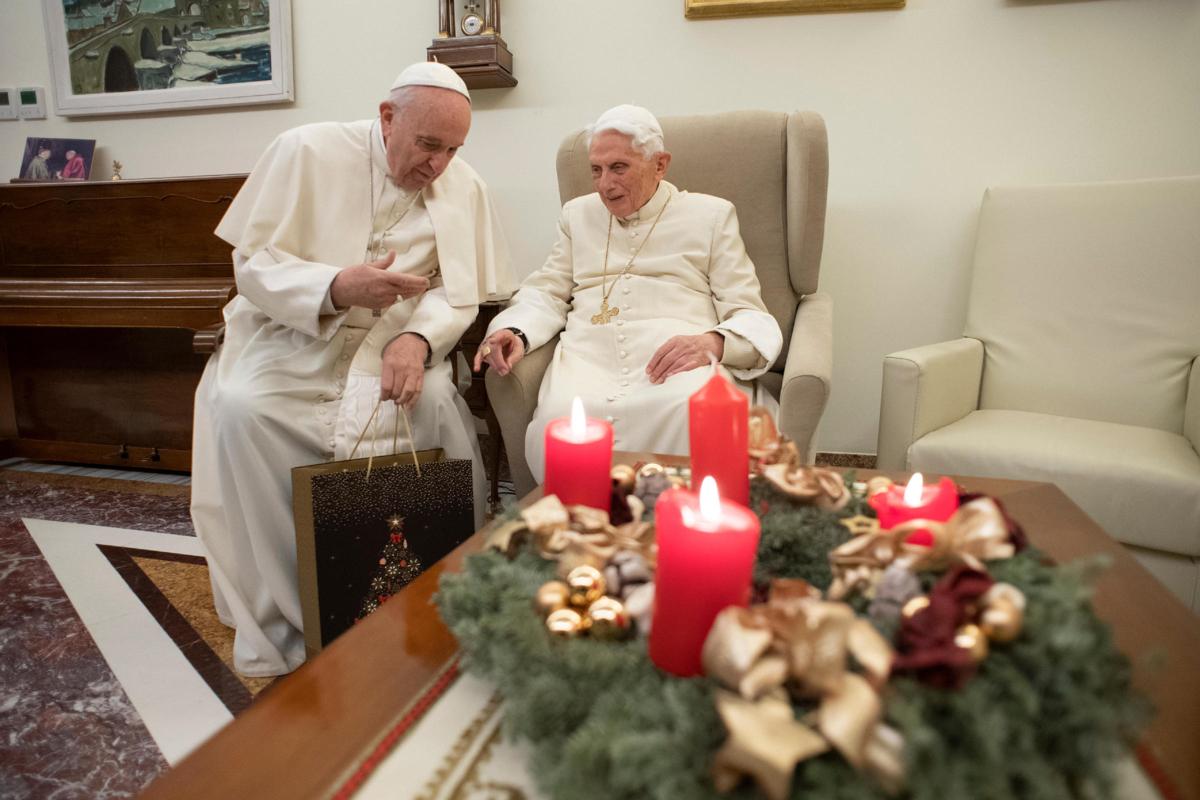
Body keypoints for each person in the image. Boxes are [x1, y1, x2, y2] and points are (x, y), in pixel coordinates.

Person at [191, 62, 513, 677]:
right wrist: (335, 286)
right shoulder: (303, 151)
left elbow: (459, 292)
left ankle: (420, 599)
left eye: (453, 150)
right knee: (241, 407)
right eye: (428, 145)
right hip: (290, 333)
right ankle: (293, 608)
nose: (439, 165)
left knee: (431, 405)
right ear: (388, 118)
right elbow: (253, 266)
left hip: (394, 339)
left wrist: (417, 339)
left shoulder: (462, 185)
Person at [475, 105, 782, 483]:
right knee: (561, 416)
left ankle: (673, 516)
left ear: (660, 164)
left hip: (676, 360)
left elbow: (746, 307)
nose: (604, 185)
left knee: (689, 409)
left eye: (618, 167)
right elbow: (547, 291)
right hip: (588, 358)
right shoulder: (577, 215)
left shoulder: (711, 216)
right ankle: (581, 519)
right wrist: (516, 331)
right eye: (596, 170)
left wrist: (713, 343)